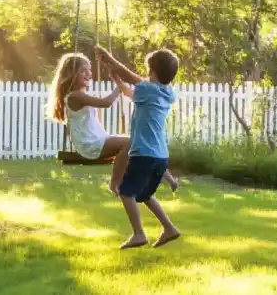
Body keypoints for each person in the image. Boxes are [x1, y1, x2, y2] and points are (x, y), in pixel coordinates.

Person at [46, 52, 177, 195]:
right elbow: (106, 103)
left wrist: (118, 83)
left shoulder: (79, 94)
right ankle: (115, 183)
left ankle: (167, 177)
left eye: (89, 70)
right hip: (89, 144)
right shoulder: (75, 96)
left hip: (97, 139)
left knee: (138, 143)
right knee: (130, 143)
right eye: (83, 71)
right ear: (71, 73)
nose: (88, 73)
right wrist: (118, 89)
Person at [94, 44, 181, 249]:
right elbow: (132, 91)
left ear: (152, 71)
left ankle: (139, 234)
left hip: (143, 153)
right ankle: (169, 228)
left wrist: (108, 58)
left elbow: (131, 77)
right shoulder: (166, 93)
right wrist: (118, 80)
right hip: (160, 156)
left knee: (125, 191)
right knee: (145, 195)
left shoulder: (146, 89)